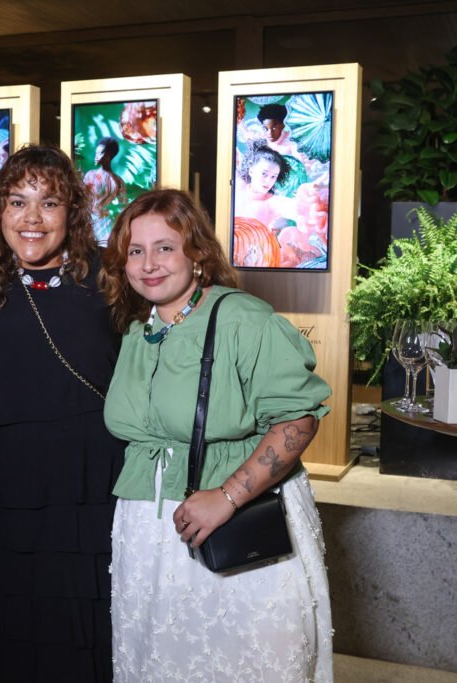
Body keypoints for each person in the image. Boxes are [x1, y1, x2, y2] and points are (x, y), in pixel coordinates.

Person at [100, 189, 334, 681]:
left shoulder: (244, 320)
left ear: (197, 253)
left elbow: (297, 420)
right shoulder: (136, 329)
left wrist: (227, 496)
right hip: (149, 532)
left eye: (164, 247)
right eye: (135, 251)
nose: (148, 264)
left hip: (234, 523)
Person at [0, 144, 125, 681]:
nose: (31, 218)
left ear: (72, 212)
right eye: (17, 201)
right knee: (7, 628)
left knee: (82, 626)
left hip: (87, 487)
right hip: (0, 490)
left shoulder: (111, 281)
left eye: (48, 203)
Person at [82, 136, 127, 244]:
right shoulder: (90, 175)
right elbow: (82, 201)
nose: (96, 156)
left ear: (109, 156)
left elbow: (123, 207)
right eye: (96, 153)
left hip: (108, 225)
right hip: (89, 223)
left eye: (100, 153)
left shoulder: (118, 181)